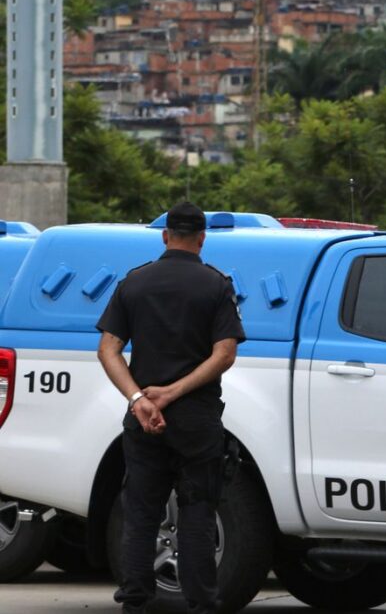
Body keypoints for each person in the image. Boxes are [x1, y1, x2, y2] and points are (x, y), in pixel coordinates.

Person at [96, 202, 246, 614]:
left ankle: (135, 603)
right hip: (196, 419)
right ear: (202, 238)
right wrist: (173, 393)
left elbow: (108, 350)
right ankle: (201, 605)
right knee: (198, 513)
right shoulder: (216, 285)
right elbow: (225, 353)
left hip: (143, 419)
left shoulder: (134, 282)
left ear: (165, 236)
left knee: (141, 513)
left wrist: (139, 398)